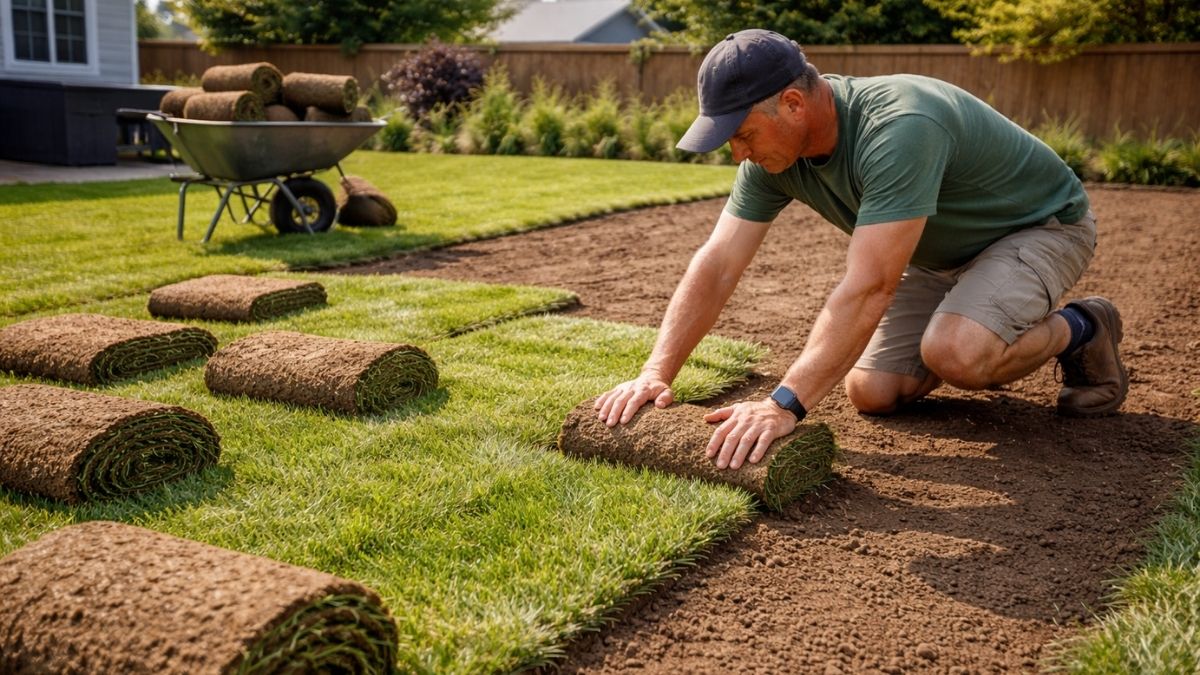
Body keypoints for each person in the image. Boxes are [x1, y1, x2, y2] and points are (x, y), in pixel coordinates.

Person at [594, 28, 1128, 473]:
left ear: (794, 104)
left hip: (1039, 228)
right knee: (872, 392)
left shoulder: (898, 127)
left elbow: (871, 285)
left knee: (956, 352)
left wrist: (783, 405)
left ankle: (1084, 327)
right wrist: (656, 372)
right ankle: (975, 315)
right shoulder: (770, 159)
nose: (738, 153)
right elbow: (718, 263)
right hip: (937, 252)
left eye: (742, 134)